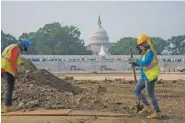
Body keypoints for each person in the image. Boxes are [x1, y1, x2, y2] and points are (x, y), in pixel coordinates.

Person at [129, 34, 161, 118]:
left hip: (150, 77)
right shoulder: (145, 54)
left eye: (140, 45)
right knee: (137, 90)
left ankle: (156, 112)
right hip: (144, 76)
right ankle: (148, 108)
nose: (140, 47)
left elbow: (145, 63)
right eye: (139, 46)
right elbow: (144, 66)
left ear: (145, 44)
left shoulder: (150, 53)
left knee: (150, 95)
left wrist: (136, 61)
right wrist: (135, 64)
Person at [1, 39, 31, 113]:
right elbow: (13, 61)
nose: (24, 50)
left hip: (2, 67)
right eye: (24, 48)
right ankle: (7, 107)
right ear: (22, 45)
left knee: (9, 87)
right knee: (10, 87)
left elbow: (18, 60)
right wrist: (15, 72)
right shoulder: (16, 49)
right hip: (7, 69)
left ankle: (6, 105)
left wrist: (21, 65)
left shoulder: (11, 46)